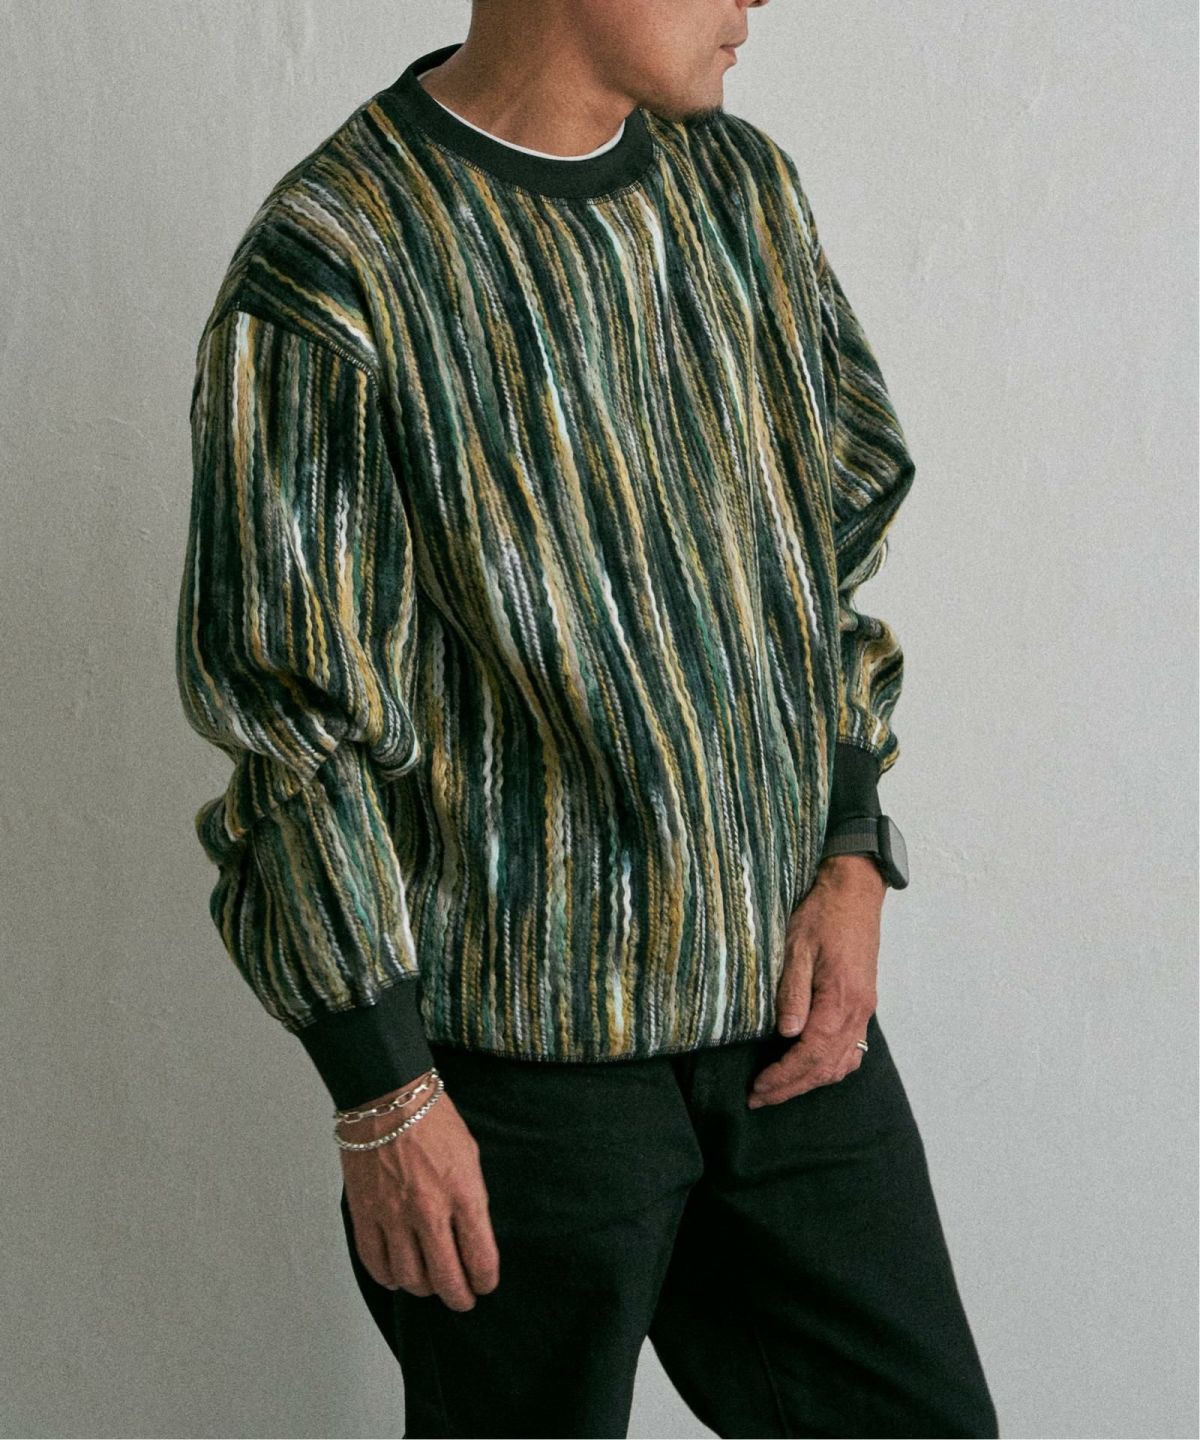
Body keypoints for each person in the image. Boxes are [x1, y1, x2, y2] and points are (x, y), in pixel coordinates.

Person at [175, 2, 1000, 1435]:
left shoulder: (740, 193)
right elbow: (292, 721)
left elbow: (824, 554)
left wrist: (853, 847)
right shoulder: (338, 264)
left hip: (787, 1027)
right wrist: (383, 1093)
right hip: (519, 1086)